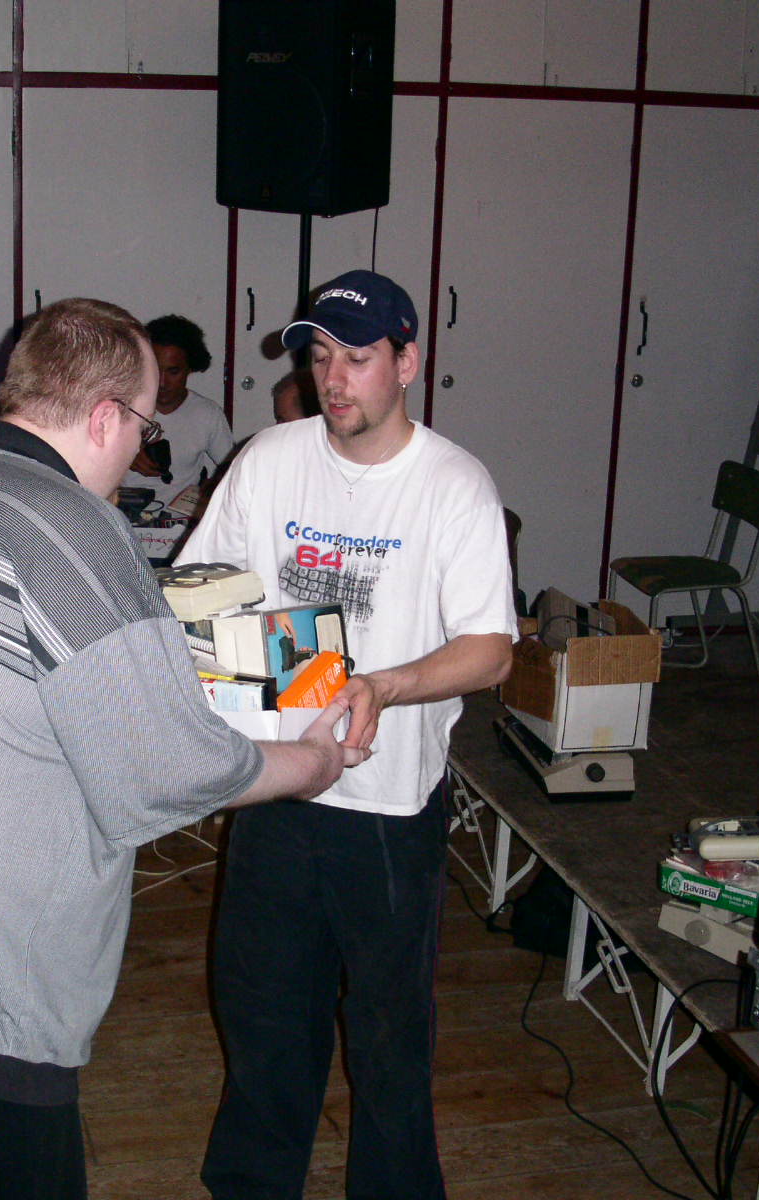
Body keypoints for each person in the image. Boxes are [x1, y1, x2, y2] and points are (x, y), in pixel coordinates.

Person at [0, 297, 367, 1200]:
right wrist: (315, 763)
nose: (140, 451)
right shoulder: (74, 526)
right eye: (145, 428)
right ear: (104, 418)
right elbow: (167, 775)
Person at [181, 269, 517, 1200]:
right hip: (277, 786)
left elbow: (491, 650)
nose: (333, 378)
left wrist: (384, 684)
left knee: (389, 1037)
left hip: (387, 811)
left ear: (407, 362)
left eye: (358, 357)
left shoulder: (453, 484)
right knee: (261, 1018)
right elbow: (202, 596)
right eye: (320, 355)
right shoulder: (270, 458)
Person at [121, 314, 234, 492]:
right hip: (122, 508)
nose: (162, 382)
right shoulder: (119, 407)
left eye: (173, 372)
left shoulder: (207, 414)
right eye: (155, 370)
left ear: (190, 368)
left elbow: (233, 470)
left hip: (183, 509)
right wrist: (124, 456)